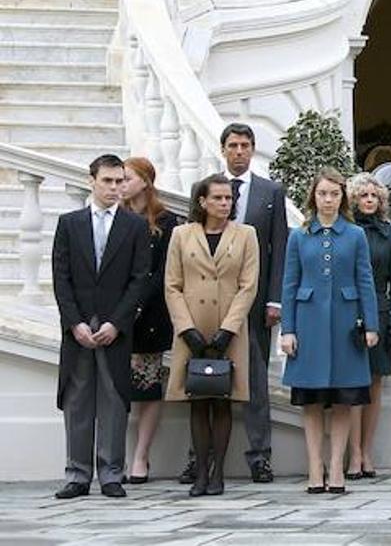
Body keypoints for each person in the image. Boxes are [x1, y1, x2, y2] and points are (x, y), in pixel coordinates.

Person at [52, 154, 153, 500]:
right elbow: (60, 279)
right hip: (78, 326)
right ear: (92, 180)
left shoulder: (135, 226)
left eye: (120, 181)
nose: (115, 188)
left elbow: (140, 279)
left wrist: (117, 322)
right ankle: (77, 474)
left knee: (113, 399)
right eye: (108, 181)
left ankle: (111, 473)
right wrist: (74, 323)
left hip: (115, 327)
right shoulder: (69, 223)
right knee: (77, 400)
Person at [194, 123, 286, 486]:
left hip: (257, 300)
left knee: (256, 380)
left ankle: (259, 456)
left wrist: (275, 299)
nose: (239, 151)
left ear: (253, 149)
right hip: (209, 301)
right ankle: (199, 457)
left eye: (245, 145)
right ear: (223, 149)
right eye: (233, 145)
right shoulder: (205, 189)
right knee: (204, 379)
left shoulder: (270, 191)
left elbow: (278, 247)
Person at [280, 170, 380, 495]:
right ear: (314, 197)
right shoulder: (299, 235)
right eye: (322, 193)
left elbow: (365, 280)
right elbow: (289, 284)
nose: (328, 199)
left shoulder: (355, 235)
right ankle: (314, 465)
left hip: (346, 324)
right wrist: (288, 330)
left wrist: (371, 325)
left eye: (334, 194)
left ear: (342, 198)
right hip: (307, 324)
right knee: (311, 401)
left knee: (342, 399)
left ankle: (337, 464)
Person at [163, 174, 260, 497]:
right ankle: (200, 472)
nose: (224, 203)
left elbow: (249, 286)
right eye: (217, 198)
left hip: (229, 329)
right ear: (202, 202)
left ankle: (219, 471)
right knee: (197, 400)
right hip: (191, 326)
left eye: (228, 198)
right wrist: (186, 328)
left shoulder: (246, 234)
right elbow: (172, 285)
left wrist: (228, 330)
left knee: (223, 401)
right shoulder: (181, 234)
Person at [120, 156, 181, 485]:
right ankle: (117, 456)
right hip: (117, 314)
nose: (122, 183)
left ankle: (141, 456)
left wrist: (140, 302)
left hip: (153, 313)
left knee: (148, 388)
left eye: (127, 177)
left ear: (145, 180)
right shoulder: (117, 216)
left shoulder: (166, 220)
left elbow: (164, 272)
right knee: (118, 391)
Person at [345, 173, 391, 480]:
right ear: (354, 199)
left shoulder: (390, 234)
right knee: (353, 384)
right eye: (363, 195)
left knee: (374, 383)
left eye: (374, 196)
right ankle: (353, 453)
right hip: (349, 311)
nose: (368, 200)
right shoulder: (346, 231)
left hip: (379, 313)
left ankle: (367, 450)